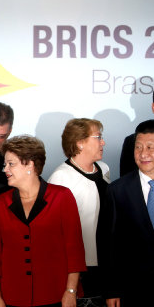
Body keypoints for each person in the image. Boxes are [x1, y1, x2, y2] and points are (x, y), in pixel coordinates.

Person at [0, 135, 86, 307]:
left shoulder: (62, 197)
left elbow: (75, 250)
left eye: (10, 164)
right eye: (5, 164)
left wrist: (71, 291)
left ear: (30, 164)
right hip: (12, 301)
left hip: (56, 297)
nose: (5, 169)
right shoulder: (1, 202)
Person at [97, 120, 154, 307]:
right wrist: (111, 290)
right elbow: (108, 244)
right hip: (132, 293)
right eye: (138, 147)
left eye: (150, 147)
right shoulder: (117, 190)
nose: (143, 154)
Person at [48, 118, 110, 297]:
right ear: (80, 143)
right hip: (82, 267)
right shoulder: (61, 178)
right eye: (98, 137)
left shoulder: (104, 169)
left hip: (107, 259)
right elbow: (54, 231)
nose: (103, 142)